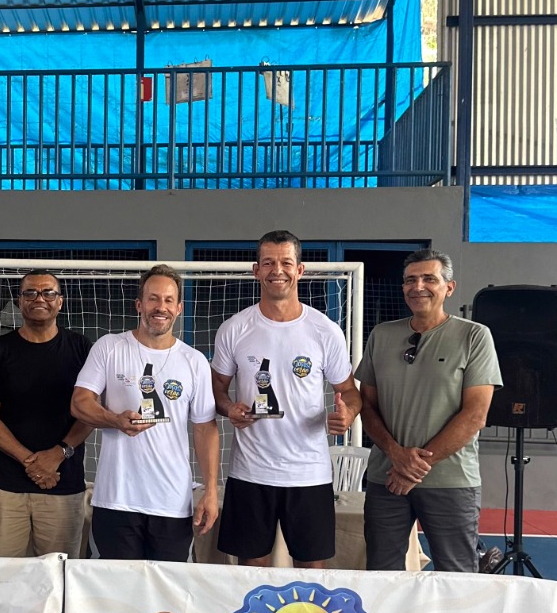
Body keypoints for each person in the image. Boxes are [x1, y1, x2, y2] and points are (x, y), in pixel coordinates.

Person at [211, 230, 361, 568]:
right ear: (256, 271)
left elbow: (350, 391)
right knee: (252, 573)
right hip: (251, 472)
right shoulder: (235, 328)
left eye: (286, 263)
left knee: (311, 572)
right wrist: (229, 407)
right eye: (268, 263)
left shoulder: (324, 330)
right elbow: (216, 388)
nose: (277, 270)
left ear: (300, 270)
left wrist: (348, 414)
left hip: (309, 474)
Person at [357, 248, 501, 573]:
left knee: (456, 576)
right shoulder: (382, 335)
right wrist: (396, 455)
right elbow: (367, 406)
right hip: (387, 479)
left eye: (429, 279)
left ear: (449, 287)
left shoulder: (474, 336)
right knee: (382, 575)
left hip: (450, 481)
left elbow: (475, 415)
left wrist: (414, 467)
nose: (418, 286)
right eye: (410, 280)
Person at [70, 264, 219, 561]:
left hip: (171, 503)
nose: (160, 307)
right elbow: (79, 402)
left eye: (168, 300)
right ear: (139, 304)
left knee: (168, 588)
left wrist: (211, 491)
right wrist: (114, 419)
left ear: (178, 308)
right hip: (116, 500)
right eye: (153, 298)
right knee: (114, 586)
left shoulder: (194, 361)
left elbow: (205, 427)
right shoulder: (109, 347)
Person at [0, 270, 93, 557]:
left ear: (60, 302)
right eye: (30, 293)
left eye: (48, 292)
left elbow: (90, 412)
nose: (39, 298)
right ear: (19, 301)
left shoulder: (82, 349)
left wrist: (58, 454)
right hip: (5, 488)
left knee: (58, 577)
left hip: (63, 486)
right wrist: (33, 462)